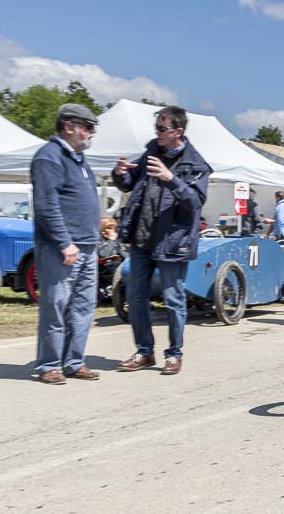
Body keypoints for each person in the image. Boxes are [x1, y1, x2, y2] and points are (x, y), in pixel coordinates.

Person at [112, 106, 212, 375]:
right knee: (135, 297)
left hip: (172, 241)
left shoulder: (196, 164)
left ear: (178, 131)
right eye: (156, 127)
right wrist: (121, 172)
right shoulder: (152, 152)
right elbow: (128, 183)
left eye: (162, 128)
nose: (156, 133)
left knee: (173, 299)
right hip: (142, 239)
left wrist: (171, 179)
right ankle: (145, 352)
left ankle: (174, 354)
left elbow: (194, 203)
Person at [31, 103, 102, 384]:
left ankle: (74, 361)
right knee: (55, 306)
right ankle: (49, 365)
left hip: (86, 246)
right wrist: (64, 243)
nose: (92, 133)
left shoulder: (79, 160)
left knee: (83, 307)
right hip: (62, 248)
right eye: (87, 126)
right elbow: (46, 206)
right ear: (69, 126)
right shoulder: (49, 158)